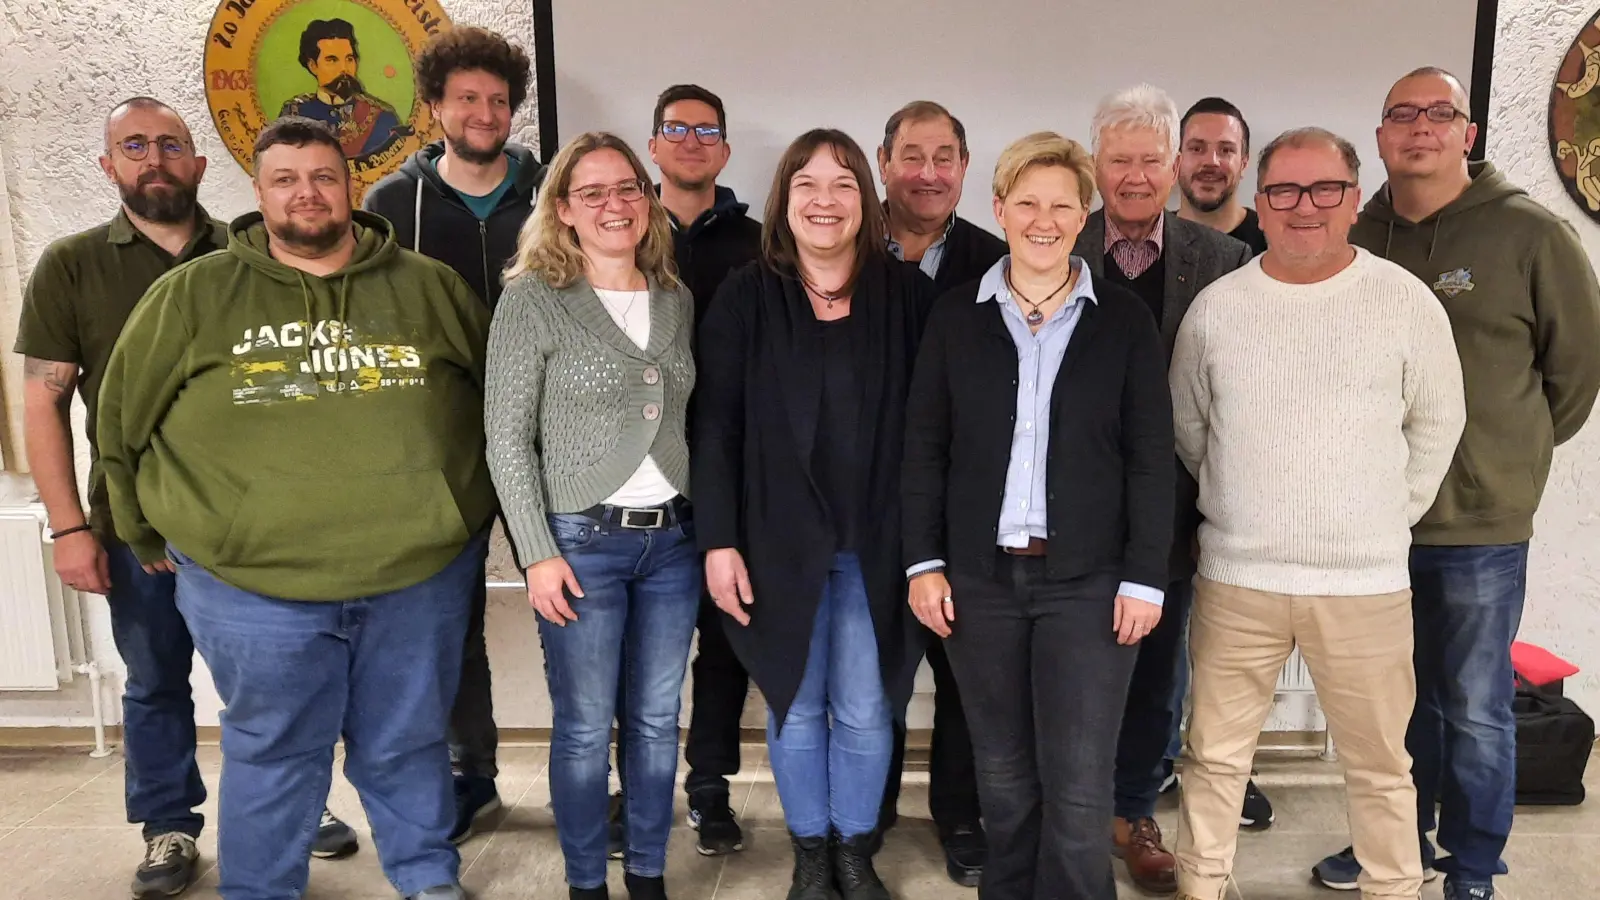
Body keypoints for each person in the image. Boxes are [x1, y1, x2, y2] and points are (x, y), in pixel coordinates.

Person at [95, 117, 492, 900]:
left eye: (322, 176)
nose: (306, 193)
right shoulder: (192, 295)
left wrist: (465, 521)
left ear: (350, 186)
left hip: (417, 578)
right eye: (286, 179)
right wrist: (136, 529)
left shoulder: (429, 286)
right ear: (259, 193)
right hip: (252, 588)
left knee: (409, 746)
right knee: (274, 753)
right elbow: (118, 423)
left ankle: (428, 882)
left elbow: (497, 407)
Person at [13, 98, 358, 899]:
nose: (154, 158)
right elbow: (42, 402)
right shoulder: (72, 265)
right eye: (133, 146)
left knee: (277, 683)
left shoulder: (256, 250)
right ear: (109, 167)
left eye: (170, 145)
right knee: (156, 678)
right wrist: (68, 527)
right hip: (136, 524)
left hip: (252, 521)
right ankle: (169, 824)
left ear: (200, 165)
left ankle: (293, 812)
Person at [1314, 66, 1600, 900]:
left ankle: (1472, 867)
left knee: (1474, 711)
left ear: (1467, 133)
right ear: (1379, 137)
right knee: (1390, 713)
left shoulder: (1532, 235)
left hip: (1477, 524)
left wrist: (1506, 459)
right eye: (1401, 113)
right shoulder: (1353, 232)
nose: (1420, 128)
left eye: (1439, 113)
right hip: (1370, 521)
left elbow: (1574, 379)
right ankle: (1394, 844)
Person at [1171, 126, 1467, 900]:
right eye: (1285, 191)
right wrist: (1247, 504)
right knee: (1213, 758)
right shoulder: (1215, 311)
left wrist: (1377, 518)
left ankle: (1393, 889)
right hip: (1240, 578)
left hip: (1365, 585)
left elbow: (1437, 424)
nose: (1305, 207)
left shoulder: (1403, 302)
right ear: (1259, 204)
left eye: (1325, 189)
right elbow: (1191, 430)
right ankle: (1202, 887)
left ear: (1353, 195)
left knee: (1379, 766)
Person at [901, 131, 1175, 900]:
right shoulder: (957, 317)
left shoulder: (1121, 322)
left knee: (1081, 787)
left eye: (1062, 204)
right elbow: (924, 450)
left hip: (1090, 585)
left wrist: (1145, 579)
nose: (1043, 219)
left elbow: (1153, 460)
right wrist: (923, 564)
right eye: (1027, 203)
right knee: (1005, 779)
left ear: (1084, 215)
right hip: (979, 584)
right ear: (999, 209)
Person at [693, 129, 935, 900]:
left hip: (879, 542)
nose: (824, 200)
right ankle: (809, 855)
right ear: (784, 200)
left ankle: (854, 852)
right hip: (774, 542)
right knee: (795, 706)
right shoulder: (745, 295)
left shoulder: (911, 296)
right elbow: (717, 426)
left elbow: (937, 433)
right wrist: (719, 541)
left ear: (866, 200)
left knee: (866, 709)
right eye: (807, 184)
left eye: (841, 184)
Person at [486, 131, 698, 900]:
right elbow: (506, 439)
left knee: (652, 722)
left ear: (648, 200)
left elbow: (682, 419)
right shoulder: (534, 299)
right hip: (580, 546)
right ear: (565, 209)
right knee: (581, 730)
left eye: (627, 189)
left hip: (672, 543)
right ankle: (585, 885)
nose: (614, 205)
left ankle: (646, 876)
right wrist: (536, 553)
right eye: (593, 193)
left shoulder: (675, 297)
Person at [1070, 83, 1254, 895]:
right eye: (1119, 160)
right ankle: (1072, 812)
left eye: (1151, 159)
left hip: (1173, 512)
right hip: (1065, 512)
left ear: (1176, 163)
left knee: (1157, 674)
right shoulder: (1053, 241)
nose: (1136, 176)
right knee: (1072, 669)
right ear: (1095, 164)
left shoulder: (1222, 261)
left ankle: (1134, 808)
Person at [362, 24, 544, 845]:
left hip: (549, 436)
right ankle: (474, 776)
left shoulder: (552, 193)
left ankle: (595, 775)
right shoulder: (390, 206)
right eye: (467, 98)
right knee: (450, 619)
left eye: (498, 100)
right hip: (440, 443)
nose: (484, 112)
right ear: (434, 107)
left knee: (572, 604)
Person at [874, 100, 1003, 885]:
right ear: (883, 160)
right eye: (912, 155)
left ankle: (959, 814)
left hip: (967, 512)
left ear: (964, 166)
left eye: (945, 156)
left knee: (965, 679)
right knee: (877, 675)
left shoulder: (996, 260)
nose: (928, 173)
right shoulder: (843, 250)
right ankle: (870, 807)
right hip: (866, 505)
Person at [642, 82, 763, 858]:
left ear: (723, 148)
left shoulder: (760, 243)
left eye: (706, 130)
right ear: (653, 144)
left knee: (723, 646)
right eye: (676, 128)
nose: (691, 140)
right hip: (639, 479)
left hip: (736, 478)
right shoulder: (618, 228)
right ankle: (637, 790)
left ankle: (710, 789)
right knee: (641, 658)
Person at [279, 18, 410, 159]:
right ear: (313, 66)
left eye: (349, 59)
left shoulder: (382, 117)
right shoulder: (294, 114)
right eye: (332, 60)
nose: (344, 69)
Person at [1177, 97, 1266, 256]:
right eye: (1197, 148)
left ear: (1244, 163)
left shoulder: (1271, 241)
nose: (1211, 162)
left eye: (1226, 150)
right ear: (1176, 160)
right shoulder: (1149, 239)